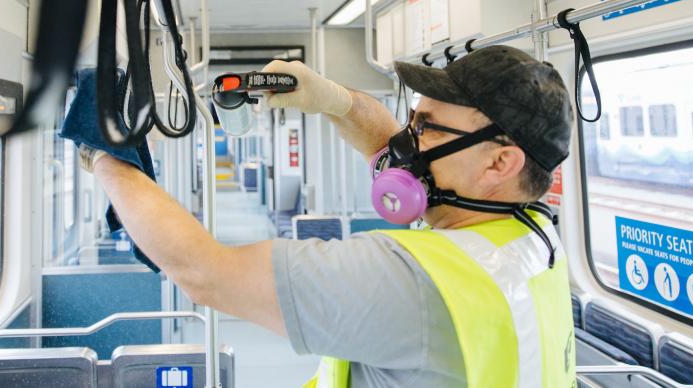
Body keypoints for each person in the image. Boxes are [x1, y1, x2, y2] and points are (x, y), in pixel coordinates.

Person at [79, 45, 576, 387]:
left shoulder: (413, 280)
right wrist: (334, 100)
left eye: (427, 130)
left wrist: (104, 156)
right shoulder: (530, 237)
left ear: (499, 162)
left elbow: (204, 273)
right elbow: (389, 146)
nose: (406, 144)